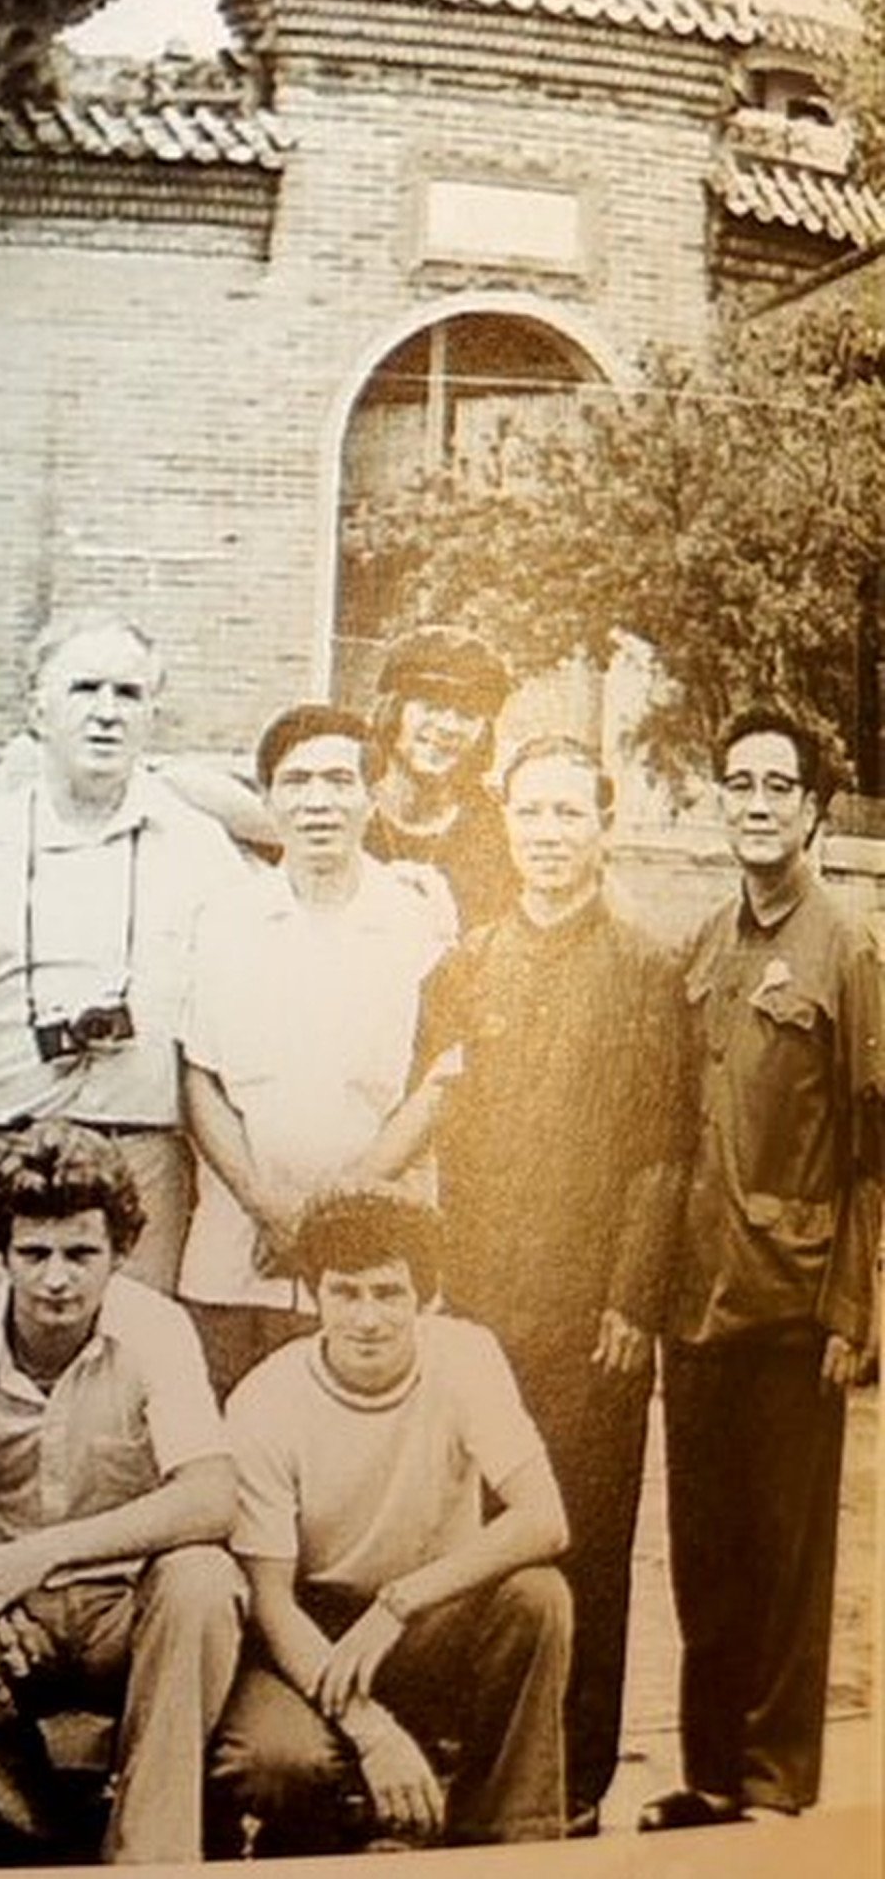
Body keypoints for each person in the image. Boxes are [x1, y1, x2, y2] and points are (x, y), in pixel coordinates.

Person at [395, 734, 685, 1830]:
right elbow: (430, 1130)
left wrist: (632, 1294)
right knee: (467, 1537)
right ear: (504, 823)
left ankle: (573, 1776)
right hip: (475, 1308)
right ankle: (466, 1756)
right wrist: (437, 1291)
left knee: (586, 1539)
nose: (550, 835)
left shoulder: (649, 972)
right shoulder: (465, 967)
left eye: (571, 813)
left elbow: (664, 1149)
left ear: (604, 827)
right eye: (532, 813)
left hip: (593, 1316)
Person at [645, 705, 880, 1831]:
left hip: (793, 1302)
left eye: (775, 785)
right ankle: (705, 1775)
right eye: (735, 782)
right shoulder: (700, 946)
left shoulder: (849, 949)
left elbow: (871, 1146)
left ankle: (776, 1788)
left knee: (786, 1557)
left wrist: (850, 1307)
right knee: (705, 1551)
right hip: (698, 1299)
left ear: (812, 809)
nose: (753, 801)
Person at [0, 1121, 243, 1865]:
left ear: (120, 1253)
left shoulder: (157, 1329)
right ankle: (39, 1851)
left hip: (124, 1610)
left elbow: (212, 1497)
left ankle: (149, 1854)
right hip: (2, 1615)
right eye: (35, 1253)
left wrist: (42, 1555)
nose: (57, 1278)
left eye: (82, 1254)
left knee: (204, 1579)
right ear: (3, 1253)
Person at [210, 1187, 571, 1853]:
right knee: (277, 1763)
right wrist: (371, 1730)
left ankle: (510, 1843)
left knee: (537, 1597)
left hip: (427, 1611)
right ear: (315, 1295)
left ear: (424, 1299)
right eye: (346, 1293)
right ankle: (352, 1828)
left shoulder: (465, 1355)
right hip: (307, 1629)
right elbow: (270, 1601)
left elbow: (545, 1520)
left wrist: (400, 1604)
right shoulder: (266, 1399)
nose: (368, 1319)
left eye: (389, 1292)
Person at [0, 610, 249, 1301]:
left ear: (153, 713)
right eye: (83, 689)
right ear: (38, 708)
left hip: (140, 1163)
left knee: (128, 1375)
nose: (106, 713)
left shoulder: (203, 849)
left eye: (128, 694)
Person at [176, 702, 457, 1395]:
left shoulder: (418, 918)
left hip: (374, 1249)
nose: (319, 802)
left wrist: (338, 1208)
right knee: (238, 1452)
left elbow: (441, 1080)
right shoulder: (225, 920)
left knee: (359, 1462)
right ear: (268, 800)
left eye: (339, 780)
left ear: (372, 796)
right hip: (239, 1251)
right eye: (296, 782)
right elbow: (199, 1078)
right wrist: (265, 1206)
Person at [362, 624, 515, 934]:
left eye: (467, 715)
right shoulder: (343, 805)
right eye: (432, 706)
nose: (448, 726)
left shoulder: (498, 830)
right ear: (393, 711)